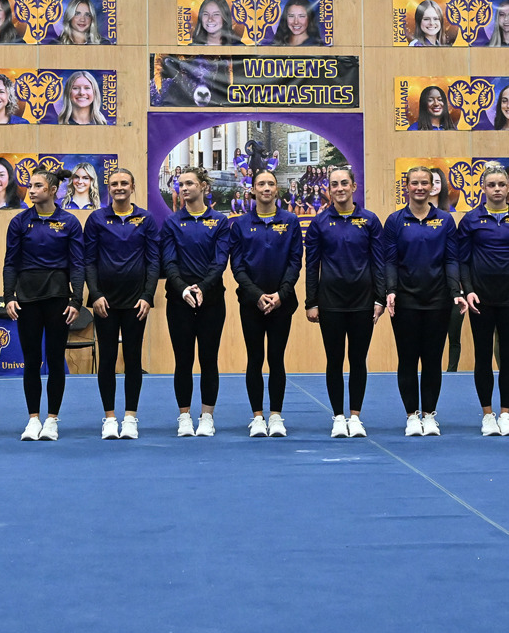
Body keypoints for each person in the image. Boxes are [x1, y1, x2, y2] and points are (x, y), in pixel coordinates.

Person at [5, 168, 85, 441]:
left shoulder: (69, 222)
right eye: (31, 185)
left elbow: (77, 264)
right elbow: (10, 262)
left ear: (53, 190)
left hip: (57, 299)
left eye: (38, 186)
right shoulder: (19, 222)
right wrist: (9, 296)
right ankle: (33, 419)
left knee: (54, 358)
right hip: (27, 299)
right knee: (31, 361)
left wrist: (77, 299)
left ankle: (52, 419)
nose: (32, 190)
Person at [453, 164, 509, 435]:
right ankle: (488, 415)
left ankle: (506, 414)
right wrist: (469, 290)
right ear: (484, 188)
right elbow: (462, 260)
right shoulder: (470, 220)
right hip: (481, 300)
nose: (498, 189)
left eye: (502, 185)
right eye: (492, 185)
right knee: (483, 355)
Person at [305, 166, 384, 438]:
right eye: (334, 184)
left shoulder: (370, 220)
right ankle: (338, 416)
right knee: (334, 360)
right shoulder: (319, 222)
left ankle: (355, 417)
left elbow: (379, 262)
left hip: (363, 302)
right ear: (329, 189)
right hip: (330, 303)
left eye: (344, 183)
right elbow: (311, 264)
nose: (339, 188)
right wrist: (310, 302)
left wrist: (380, 298)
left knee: (358, 360)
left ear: (353, 187)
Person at [81, 167, 157, 440]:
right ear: (108, 188)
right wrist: (96, 294)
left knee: (133, 359)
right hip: (105, 302)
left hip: (137, 302)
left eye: (124, 183)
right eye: (114, 184)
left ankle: (130, 418)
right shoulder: (96, 219)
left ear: (133, 186)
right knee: (108, 359)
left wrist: (147, 296)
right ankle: (110, 417)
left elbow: (153, 261)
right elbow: (88, 260)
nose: (119, 187)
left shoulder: (146, 219)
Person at [383, 165, 459, 435]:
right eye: (414, 183)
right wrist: (390, 290)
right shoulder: (394, 221)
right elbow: (389, 260)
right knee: (407, 359)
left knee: (432, 359)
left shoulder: (445, 220)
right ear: (406, 186)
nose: (419, 187)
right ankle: (412, 415)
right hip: (405, 301)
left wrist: (455, 292)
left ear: (432, 187)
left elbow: (451, 259)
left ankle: (429, 414)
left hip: (438, 301)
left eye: (424, 183)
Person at [229, 170, 303, 437]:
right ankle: (258, 416)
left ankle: (276, 416)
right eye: (261, 184)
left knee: (276, 359)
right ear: (253, 190)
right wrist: (256, 294)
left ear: (277, 189)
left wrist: (281, 295)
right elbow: (237, 266)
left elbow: (296, 262)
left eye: (271, 183)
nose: (266, 188)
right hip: (251, 303)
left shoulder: (291, 221)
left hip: (282, 303)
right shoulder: (239, 224)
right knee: (255, 358)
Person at [160, 166, 231, 437]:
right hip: (179, 302)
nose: (184, 188)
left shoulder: (220, 221)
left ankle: (207, 417)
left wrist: (201, 287)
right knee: (183, 360)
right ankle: (184, 416)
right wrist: (183, 289)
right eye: (180, 184)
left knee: (208, 359)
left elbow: (220, 260)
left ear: (204, 186)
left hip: (211, 300)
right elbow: (168, 261)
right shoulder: (171, 222)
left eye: (189, 183)